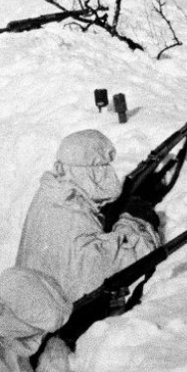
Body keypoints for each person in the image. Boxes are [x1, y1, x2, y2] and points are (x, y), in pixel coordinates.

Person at [16, 129, 160, 303]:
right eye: (101, 167)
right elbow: (116, 264)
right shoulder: (72, 214)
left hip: (33, 300)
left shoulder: (52, 192)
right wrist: (134, 222)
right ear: (89, 170)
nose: (108, 173)